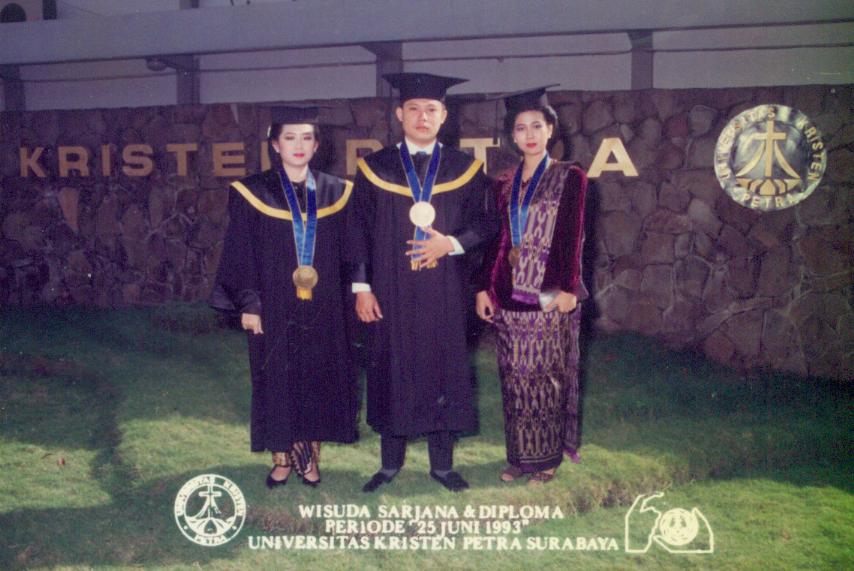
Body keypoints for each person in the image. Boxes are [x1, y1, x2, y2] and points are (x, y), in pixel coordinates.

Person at [347, 72, 495, 492]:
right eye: (413, 109)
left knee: (442, 368)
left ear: (444, 115)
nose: (422, 117)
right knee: (389, 366)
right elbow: (356, 231)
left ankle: (442, 466)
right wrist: (362, 287)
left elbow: (486, 225)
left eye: (431, 109)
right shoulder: (373, 169)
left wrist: (451, 243)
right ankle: (389, 464)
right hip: (388, 288)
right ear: (400, 114)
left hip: (444, 288)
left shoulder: (466, 169)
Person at [211, 106, 358, 489]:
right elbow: (240, 252)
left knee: (315, 379)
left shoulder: (338, 192)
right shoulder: (252, 192)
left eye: (307, 137)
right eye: (289, 137)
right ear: (275, 144)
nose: (298, 145)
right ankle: (281, 459)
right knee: (276, 379)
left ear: (317, 145)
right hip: (273, 303)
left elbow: (351, 251)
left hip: (323, 304)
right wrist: (249, 304)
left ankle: (307, 460)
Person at [475, 86, 588, 484]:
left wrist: (569, 289)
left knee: (545, 378)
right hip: (508, 294)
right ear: (512, 135)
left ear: (551, 129)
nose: (530, 135)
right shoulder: (503, 183)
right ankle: (520, 457)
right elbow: (497, 240)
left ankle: (547, 458)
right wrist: (484, 288)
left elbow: (572, 236)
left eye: (537, 126)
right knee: (514, 379)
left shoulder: (569, 176)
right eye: (521, 128)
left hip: (548, 294)